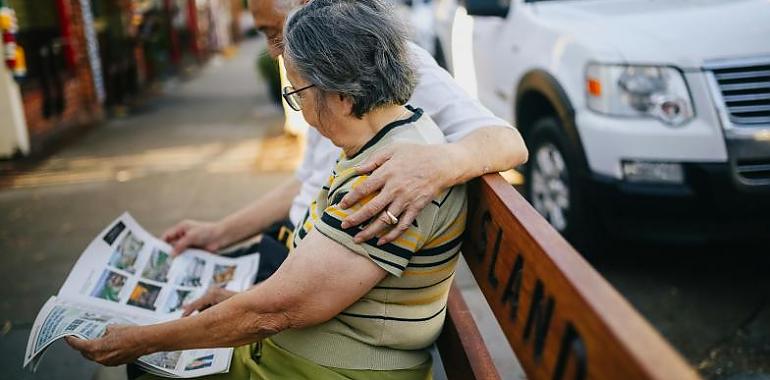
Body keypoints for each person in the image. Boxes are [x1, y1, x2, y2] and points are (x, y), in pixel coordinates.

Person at [67, 1, 470, 378]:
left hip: (329, 369)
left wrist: (140, 340)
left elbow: (274, 313)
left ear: (343, 96)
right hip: (316, 351)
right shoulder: (397, 133)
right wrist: (242, 297)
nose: (302, 112)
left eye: (296, 93)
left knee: (147, 363)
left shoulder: (383, 180)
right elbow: (310, 285)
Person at [160, 0, 528, 275]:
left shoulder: (385, 63)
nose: (273, 49)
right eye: (265, 35)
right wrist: (219, 234)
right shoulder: (319, 80)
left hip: (319, 260)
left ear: (312, 8)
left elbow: (508, 141)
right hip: (296, 241)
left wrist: (437, 165)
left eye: (276, 31)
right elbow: (305, 183)